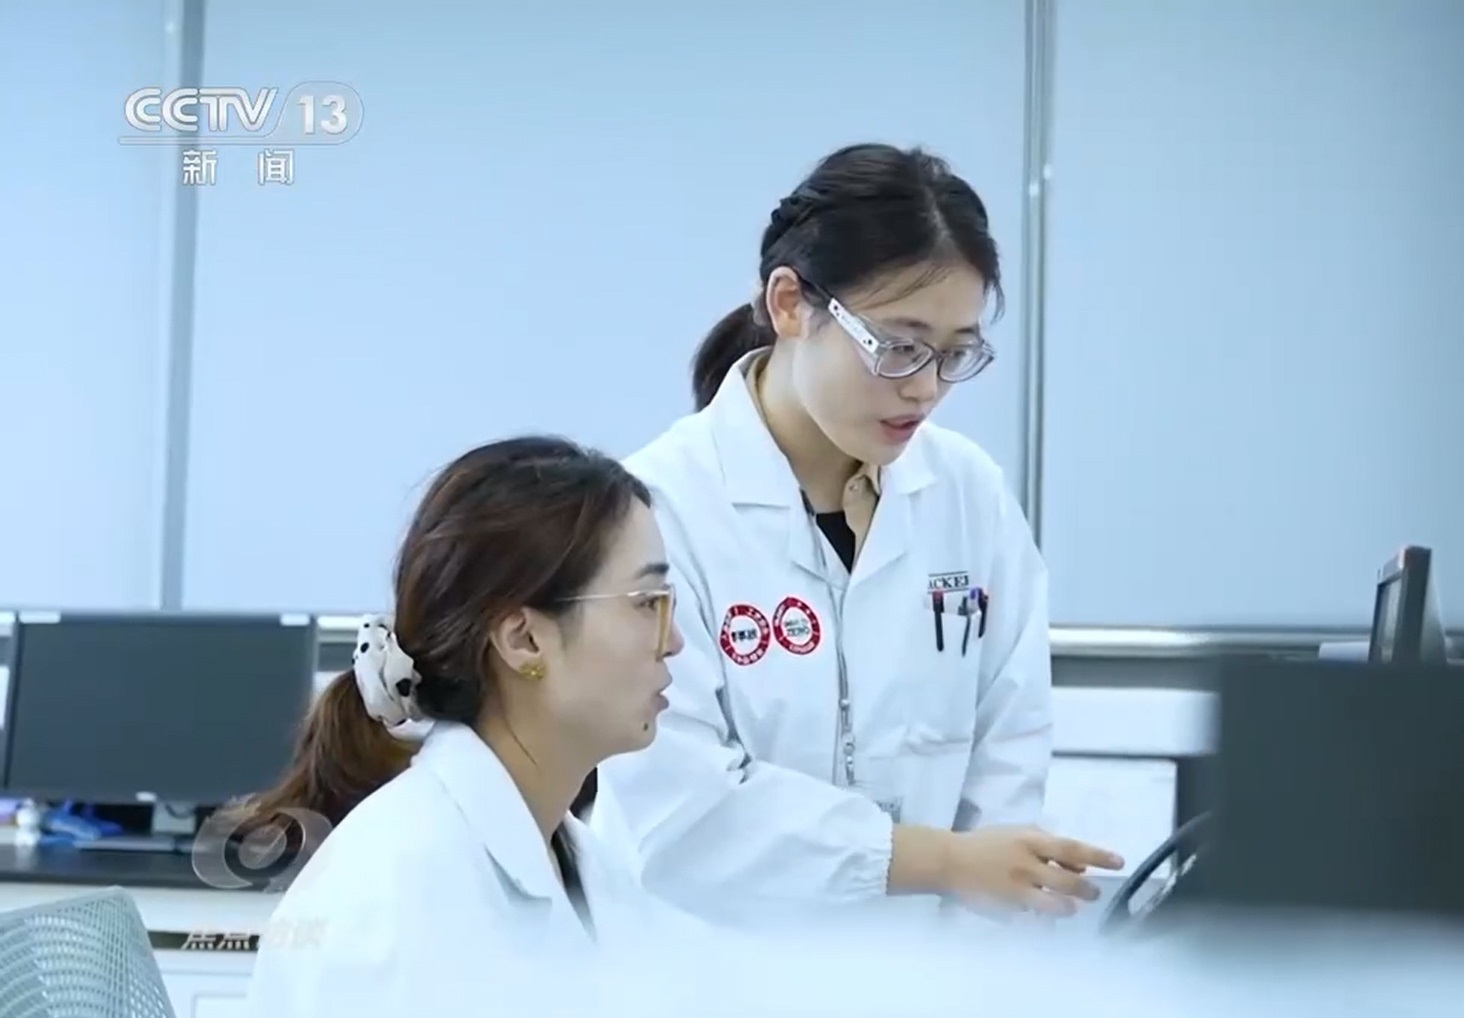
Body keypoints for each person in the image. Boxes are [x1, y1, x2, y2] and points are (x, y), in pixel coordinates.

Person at [588, 143, 1123, 926]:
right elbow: (679, 817)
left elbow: (1008, 756)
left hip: (920, 973)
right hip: (707, 969)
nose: (926, 388)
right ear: (790, 304)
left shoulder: (966, 495)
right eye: (898, 346)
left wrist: (971, 955)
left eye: (955, 353)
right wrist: (938, 863)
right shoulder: (660, 510)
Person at [239, 436, 688, 1015]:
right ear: (524, 640)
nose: (674, 641)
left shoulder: (580, 859)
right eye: (647, 602)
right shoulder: (395, 899)